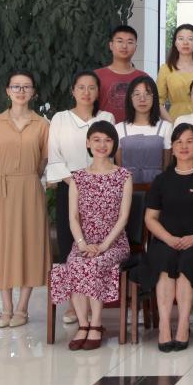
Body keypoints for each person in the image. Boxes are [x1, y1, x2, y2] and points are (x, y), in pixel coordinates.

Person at [135, 123, 193, 352]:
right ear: (172, 148)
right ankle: (165, 326)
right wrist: (167, 238)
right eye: (179, 142)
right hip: (166, 240)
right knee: (165, 261)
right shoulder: (161, 180)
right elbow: (150, 218)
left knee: (186, 262)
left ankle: (183, 325)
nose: (184, 146)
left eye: (189, 141)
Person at [49, 122, 132, 351]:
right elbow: (73, 217)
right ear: (88, 143)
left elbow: (123, 217)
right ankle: (83, 324)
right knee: (74, 263)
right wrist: (82, 244)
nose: (102, 145)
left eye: (107, 140)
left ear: (114, 144)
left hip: (114, 243)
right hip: (84, 243)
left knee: (93, 265)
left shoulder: (123, 176)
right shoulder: (77, 178)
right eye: (97, 139)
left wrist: (103, 246)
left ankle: (96, 324)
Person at [0, 71, 51, 329]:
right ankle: (6, 307)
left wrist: (28, 177)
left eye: (26, 87)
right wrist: (5, 173)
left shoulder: (42, 124)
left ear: (33, 92)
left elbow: (44, 159)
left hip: (30, 188)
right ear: (7, 91)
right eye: (16, 86)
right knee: (2, 246)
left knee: (30, 244)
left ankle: (22, 308)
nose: (21, 91)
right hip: (2, 190)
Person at [47, 70, 116, 278]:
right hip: (68, 186)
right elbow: (55, 156)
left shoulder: (106, 118)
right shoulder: (60, 118)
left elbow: (110, 154)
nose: (86, 92)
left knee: (96, 242)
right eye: (81, 87)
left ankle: (94, 289)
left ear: (98, 92)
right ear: (73, 91)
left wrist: (92, 183)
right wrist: (78, 184)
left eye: (91, 88)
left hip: (100, 188)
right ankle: (71, 292)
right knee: (68, 239)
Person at [115, 76, 171, 185]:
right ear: (130, 98)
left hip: (157, 188)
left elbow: (166, 167)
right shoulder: (118, 128)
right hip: (128, 189)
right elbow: (119, 168)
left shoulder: (166, 127)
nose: (142, 99)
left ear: (154, 97)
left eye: (147, 94)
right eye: (137, 94)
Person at [157, 24, 193, 121]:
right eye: (181, 39)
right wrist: (171, 123)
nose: (185, 42)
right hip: (176, 120)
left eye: (190, 39)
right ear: (175, 43)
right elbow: (158, 102)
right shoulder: (166, 69)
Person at [94, 25, 148, 124]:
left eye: (130, 42)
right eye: (120, 41)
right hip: (104, 131)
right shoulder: (96, 76)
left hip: (134, 130)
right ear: (111, 45)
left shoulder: (143, 77)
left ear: (135, 47)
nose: (124, 46)